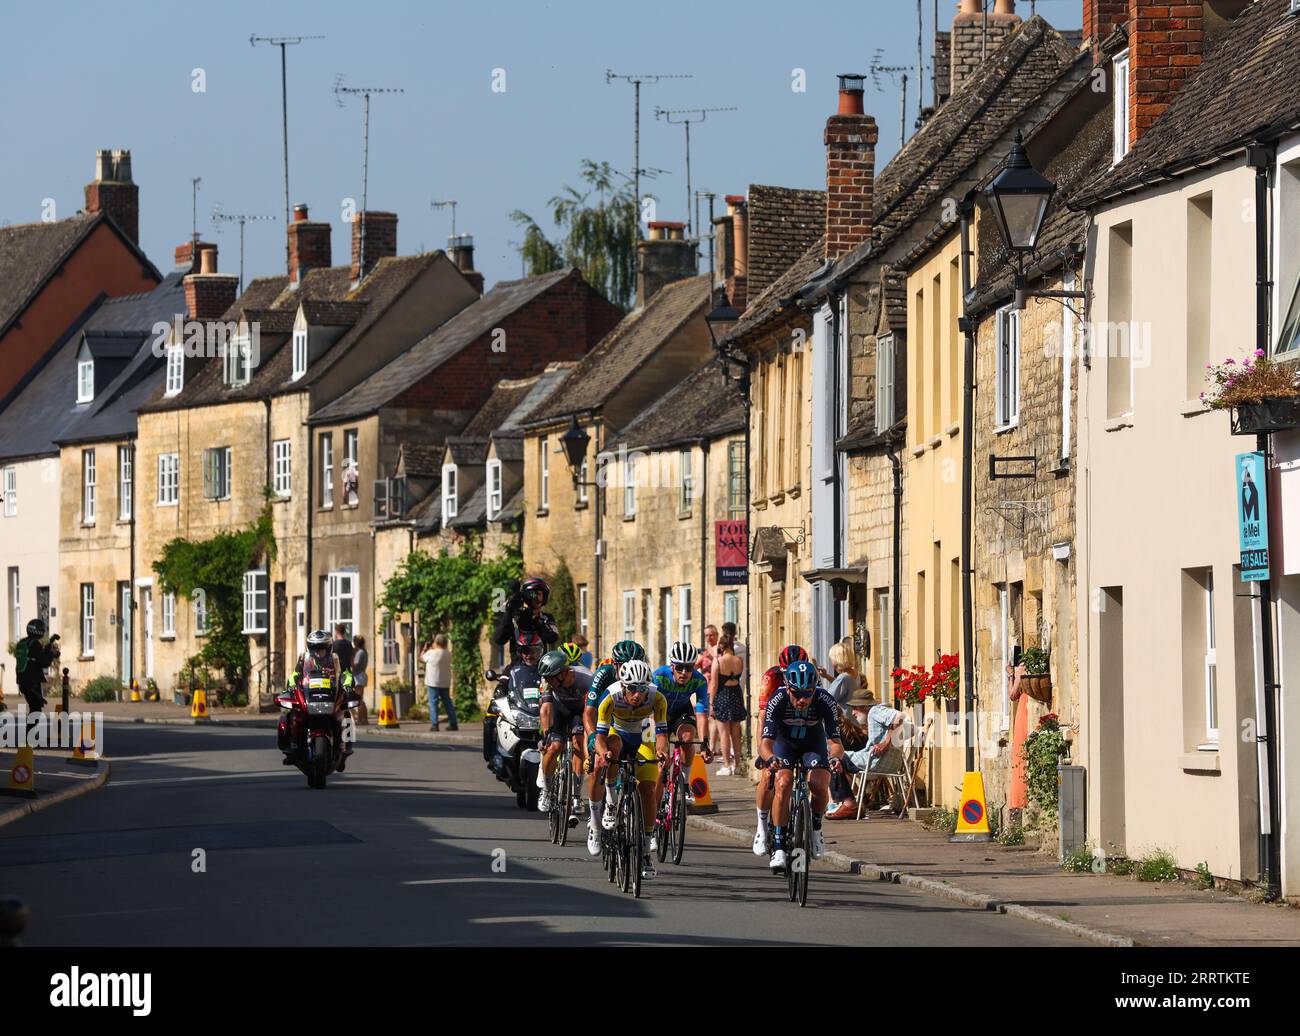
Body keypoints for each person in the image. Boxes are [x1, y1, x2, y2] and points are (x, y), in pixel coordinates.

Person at [758, 659, 843, 871]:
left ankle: (815, 828)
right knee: (784, 783)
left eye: (808, 693)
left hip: (812, 743)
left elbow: (835, 743)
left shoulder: (825, 700)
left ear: (816, 688)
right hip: (784, 744)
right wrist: (769, 758)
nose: (803, 699)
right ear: (787, 688)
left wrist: (835, 758)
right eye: (797, 693)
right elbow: (765, 743)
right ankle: (778, 845)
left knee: (819, 783)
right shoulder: (777, 699)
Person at [593, 659, 668, 880]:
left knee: (647, 789)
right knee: (613, 747)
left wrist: (662, 753)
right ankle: (610, 800)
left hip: (643, 738)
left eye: (642, 689)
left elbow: (662, 735)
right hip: (618, 736)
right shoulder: (610, 697)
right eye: (632, 689)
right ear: (623, 686)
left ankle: (645, 852)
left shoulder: (657, 698)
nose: (637, 694)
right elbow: (599, 738)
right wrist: (603, 753)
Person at [581, 639, 646, 855]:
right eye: (622, 665)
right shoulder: (605, 672)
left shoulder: (643, 675)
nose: (627, 669)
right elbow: (589, 712)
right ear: (615, 664)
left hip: (628, 722)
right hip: (603, 719)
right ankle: (596, 825)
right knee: (600, 763)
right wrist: (592, 739)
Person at [650, 642, 712, 819]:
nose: (684, 672)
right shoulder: (659, 676)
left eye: (689, 667)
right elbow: (650, 708)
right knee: (662, 765)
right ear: (672, 666)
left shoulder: (699, 680)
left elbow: (701, 714)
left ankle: (684, 783)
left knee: (686, 738)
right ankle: (653, 816)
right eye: (679, 667)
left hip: (682, 712)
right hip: (660, 714)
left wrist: (705, 743)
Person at [282, 629, 356, 764]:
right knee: (290, 713)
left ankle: (345, 747)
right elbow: (295, 675)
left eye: (321, 648)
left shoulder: (336, 660)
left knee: (347, 714)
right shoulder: (304, 659)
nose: (318, 652)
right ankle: (293, 745)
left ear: (328, 648)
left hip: (330, 695)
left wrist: (347, 685)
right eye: (314, 648)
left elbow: (347, 674)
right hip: (310, 695)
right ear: (309, 648)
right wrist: (292, 685)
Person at [828, 692, 907, 817]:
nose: (853, 713)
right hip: (889, 763)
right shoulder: (873, 715)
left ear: (864, 707)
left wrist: (886, 743)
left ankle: (848, 804)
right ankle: (852, 803)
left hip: (875, 762)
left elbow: (900, 716)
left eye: (855, 708)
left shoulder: (874, 711)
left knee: (833, 758)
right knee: (838, 759)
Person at [536, 649, 592, 812]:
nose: (547, 681)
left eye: (550, 678)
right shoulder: (547, 680)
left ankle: (576, 796)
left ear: (563, 673)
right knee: (554, 747)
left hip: (581, 712)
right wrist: (546, 734)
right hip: (559, 710)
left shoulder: (587, 678)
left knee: (579, 743)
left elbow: (592, 711)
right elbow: (546, 708)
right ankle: (546, 791)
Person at [492, 577, 559, 665]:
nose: (536, 598)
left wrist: (536, 622)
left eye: (538, 594)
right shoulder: (515, 618)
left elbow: (553, 637)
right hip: (517, 669)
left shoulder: (546, 618)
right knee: (504, 679)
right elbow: (499, 639)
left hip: (541, 669)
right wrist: (509, 612)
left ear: (544, 596)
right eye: (532, 594)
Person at [710, 629, 746, 776]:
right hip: (736, 695)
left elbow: (714, 685)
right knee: (736, 733)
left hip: (723, 695)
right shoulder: (739, 661)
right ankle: (736, 765)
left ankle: (726, 765)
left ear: (722, 646)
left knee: (723, 733)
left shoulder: (718, 661)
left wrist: (711, 704)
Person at [13, 619, 57, 714]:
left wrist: (47, 648)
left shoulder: (23, 643)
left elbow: (34, 657)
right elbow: (44, 662)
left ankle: (31, 728)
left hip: (22, 681)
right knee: (35, 710)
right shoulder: (34, 644)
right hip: (32, 682)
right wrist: (52, 654)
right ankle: (31, 729)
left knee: (34, 708)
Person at [421, 634, 457, 732]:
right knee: (448, 703)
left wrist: (425, 648)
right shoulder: (448, 653)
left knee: (433, 703)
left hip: (433, 682)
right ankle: (453, 723)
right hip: (445, 681)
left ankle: (435, 724)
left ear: (436, 642)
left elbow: (422, 658)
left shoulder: (431, 653)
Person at [818, 640, 860, 711]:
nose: (832, 663)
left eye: (832, 659)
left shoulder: (843, 678)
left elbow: (827, 699)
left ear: (837, 660)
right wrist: (826, 676)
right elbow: (842, 686)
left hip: (845, 719)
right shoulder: (854, 673)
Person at [351, 634, 370, 726]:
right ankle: (364, 719)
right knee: (361, 699)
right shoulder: (364, 651)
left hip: (358, 676)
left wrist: (350, 661)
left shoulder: (360, 653)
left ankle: (361, 719)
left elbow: (355, 664)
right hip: (361, 675)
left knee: (359, 700)